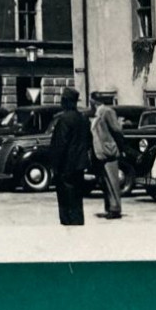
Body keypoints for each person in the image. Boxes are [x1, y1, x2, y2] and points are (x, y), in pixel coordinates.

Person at [49, 87, 91, 227]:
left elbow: (60, 145)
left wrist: (55, 166)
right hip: (79, 166)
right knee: (77, 199)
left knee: (65, 200)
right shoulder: (83, 119)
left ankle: (68, 228)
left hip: (65, 167)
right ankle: (78, 224)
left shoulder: (64, 119)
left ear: (66, 102)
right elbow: (88, 141)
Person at [91, 91, 125, 219]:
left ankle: (115, 208)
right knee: (105, 181)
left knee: (112, 180)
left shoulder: (107, 111)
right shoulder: (97, 114)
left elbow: (117, 130)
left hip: (109, 150)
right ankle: (109, 207)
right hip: (100, 152)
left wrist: (119, 147)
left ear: (94, 101)